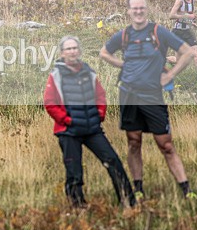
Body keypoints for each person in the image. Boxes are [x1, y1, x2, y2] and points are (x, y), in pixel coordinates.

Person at [99, 0, 196, 200]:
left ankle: (187, 190)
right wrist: (122, 65)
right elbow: (104, 53)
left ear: (146, 9)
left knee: (166, 145)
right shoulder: (124, 34)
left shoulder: (158, 32)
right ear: (129, 11)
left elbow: (187, 52)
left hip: (152, 96)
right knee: (134, 142)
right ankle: (139, 189)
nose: (138, 11)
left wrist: (170, 74)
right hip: (129, 95)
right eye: (134, 8)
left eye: (141, 7)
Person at [44, 36, 136, 208]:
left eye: (74, 48)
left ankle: (129, 203)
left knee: (113, 162)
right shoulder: (55, 76)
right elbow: (50, 103)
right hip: (68, 131)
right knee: (74, 172)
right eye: (68, 49)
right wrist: (67, 120)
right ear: (62, 53)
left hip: (92, 128)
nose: (72, 51)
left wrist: (99, 114)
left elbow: (100, 96)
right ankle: (78, 209)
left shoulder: (89, 72)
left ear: (79, 51)